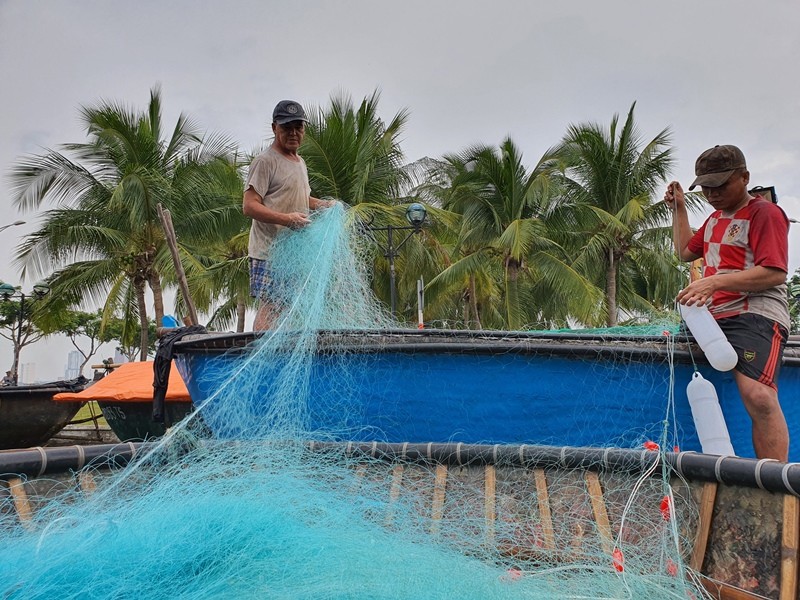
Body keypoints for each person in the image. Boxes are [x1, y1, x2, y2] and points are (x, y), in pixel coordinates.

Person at [665, 144, 791, 461]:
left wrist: (715, 281)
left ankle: (775, 482)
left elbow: (774, 273)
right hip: (714, 315)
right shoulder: (713, 220)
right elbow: (684, 252)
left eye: (720, 185)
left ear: (745, 177)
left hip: (755, 313)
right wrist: (679, 208)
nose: (713, 194)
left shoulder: (765, 213)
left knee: (759, 396)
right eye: (706, 187)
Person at [242, 100, 334, 330]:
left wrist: (321, 204)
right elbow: (250, 205)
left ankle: (281, 355)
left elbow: (299, 198)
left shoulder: (300, 162)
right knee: (271, 306)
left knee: (289, 309)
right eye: (286, 127)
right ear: (275, 128)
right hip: (269, 251)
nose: (293, 133)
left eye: (298, 127)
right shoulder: (265, 162)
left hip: (295, 253)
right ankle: (261, 354)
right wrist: (287, 220)